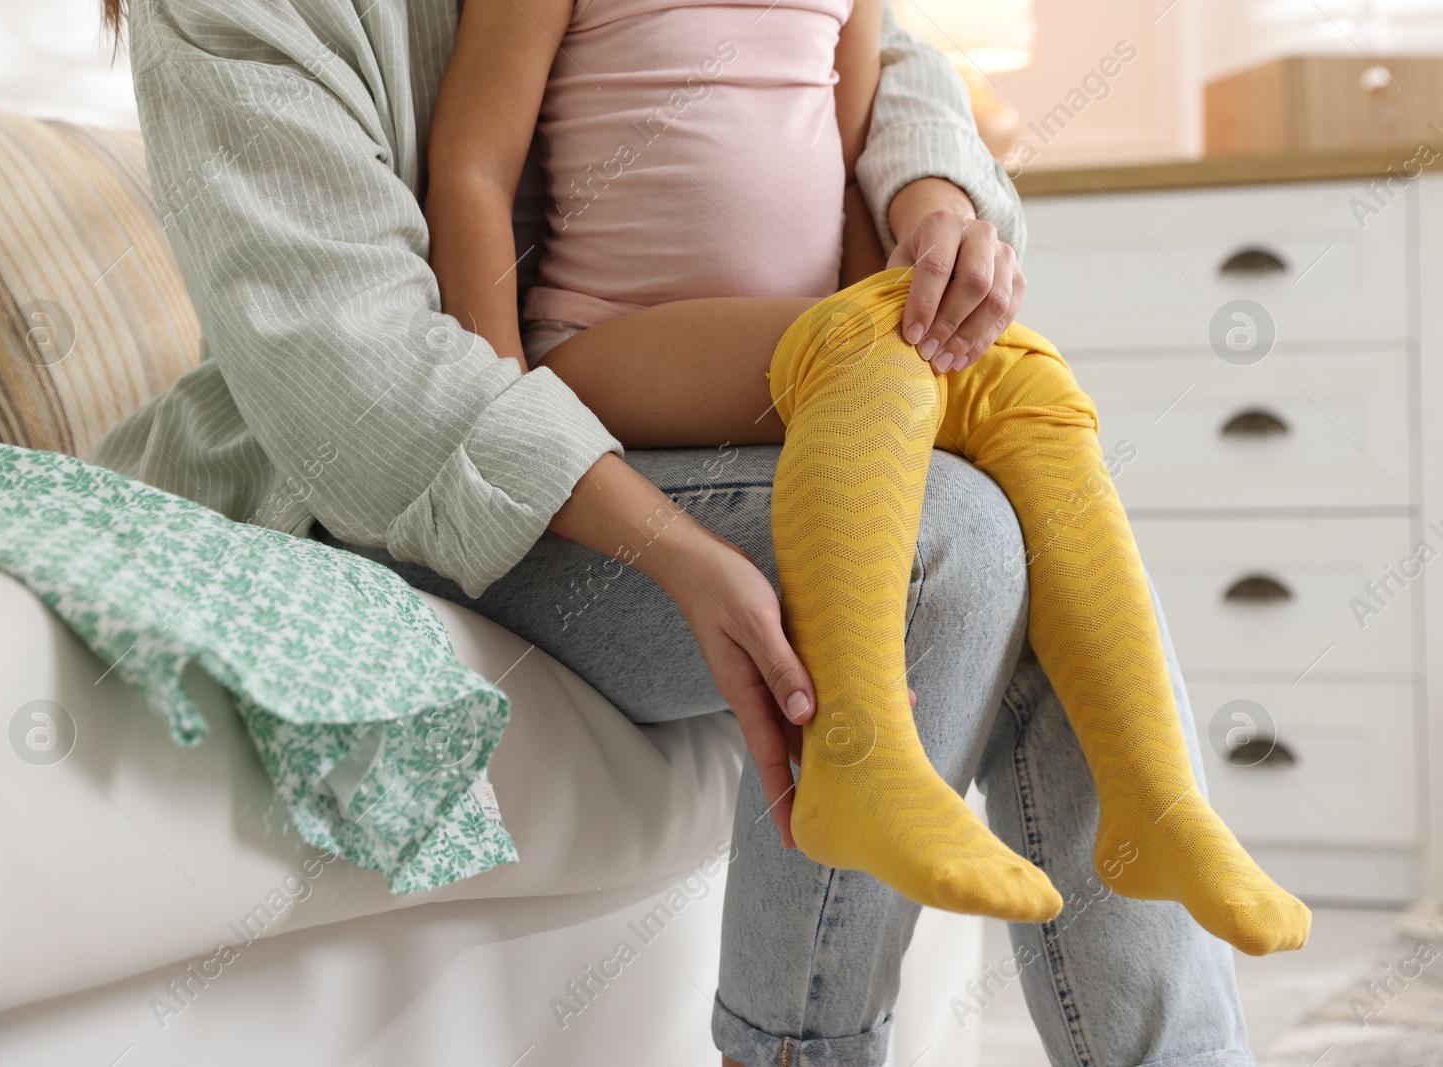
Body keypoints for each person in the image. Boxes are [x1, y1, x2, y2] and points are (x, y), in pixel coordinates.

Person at [94, 0, 1259, 1063]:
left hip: (683, 407)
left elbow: (867, 59)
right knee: (934, 539)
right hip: (419, 477)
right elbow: (361, 382)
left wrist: (934, 213)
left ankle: (1179, 989)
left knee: (1028, 482)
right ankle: (798, 1047)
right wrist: (665, 543)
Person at [420, 0, 1309, 956]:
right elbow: (472, 165)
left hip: (809, 349)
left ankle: (1155, 800)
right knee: (868, 341)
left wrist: (901, 349)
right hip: (602, 344)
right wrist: (506, 411)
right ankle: (857, 761)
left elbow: (848, 167)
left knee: (1029, 388)